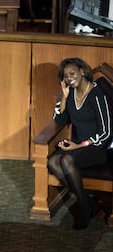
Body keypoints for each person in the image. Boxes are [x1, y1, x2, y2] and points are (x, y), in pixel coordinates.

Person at [48, 57, 112, 230]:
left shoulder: (97, 95)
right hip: (77, 145)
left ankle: (84, 208)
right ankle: (88, 203)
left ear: (82, 72)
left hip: (97, 148)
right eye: (65, 76)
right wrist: (64, 96)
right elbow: (59, 119)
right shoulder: (71, 94)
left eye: (72, 73)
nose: (69, 78)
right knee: (52, 161)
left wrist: (79, 145)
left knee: (65, 161)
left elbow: (106, 133)